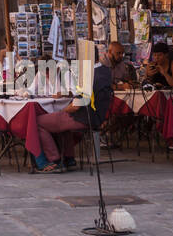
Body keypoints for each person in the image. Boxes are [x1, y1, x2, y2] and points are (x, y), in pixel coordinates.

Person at [29, 41, 120, 173]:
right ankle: (68, 158)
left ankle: (54, 159)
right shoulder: (105, 72)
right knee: (59, 122)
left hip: (83, 117)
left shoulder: (89, 76)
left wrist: (62, 110)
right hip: (97, 116)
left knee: (37, 123)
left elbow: (76, 105)